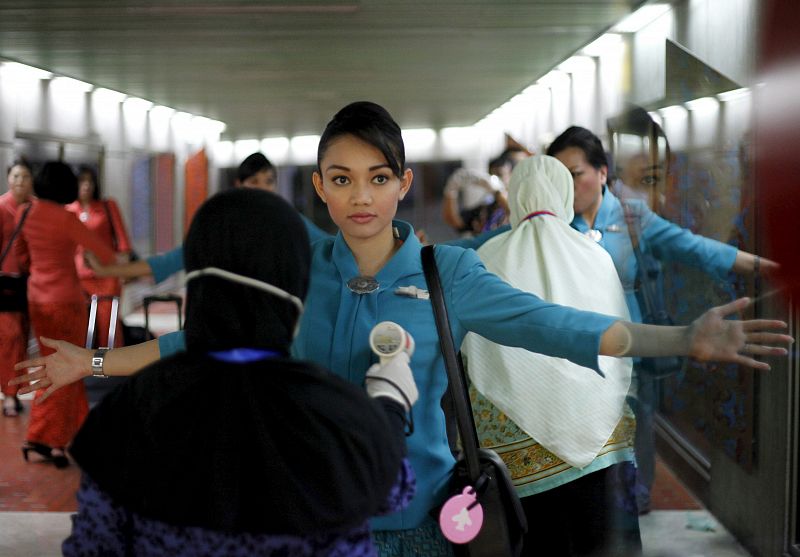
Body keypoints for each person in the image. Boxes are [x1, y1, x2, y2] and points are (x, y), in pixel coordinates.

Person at [12, 102, 791, 556]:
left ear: (403, 184)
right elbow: (208, 338)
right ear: (317, 187)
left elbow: (558, 326)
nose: (361, 197)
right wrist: (98, 360)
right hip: (312, 515)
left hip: (418, 519)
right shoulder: (302, 267)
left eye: (379, 178)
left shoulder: (447, 272)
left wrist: (679, 338)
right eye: (342, 179)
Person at [61, 188, 419, 556]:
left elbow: (92, 545)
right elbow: (394, 490)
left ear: (196, 283)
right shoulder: (337, 415)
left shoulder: (128, 413)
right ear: (295, 283)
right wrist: (390, 401)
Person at [545, 125, 777, 514]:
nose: (567, 185)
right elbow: (502, 241)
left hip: (632, 345)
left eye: (575, 173)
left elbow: (696, 249)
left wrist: (767, 268)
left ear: (602, 173)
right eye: (558, 176)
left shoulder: (632, 217)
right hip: (576, 348)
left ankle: (637, 500)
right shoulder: (552, 222)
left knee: (634, 425)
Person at [462, 155, 638, 555]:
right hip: (598, 445)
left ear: (516, 196)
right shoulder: (596, 256)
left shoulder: (485, 258)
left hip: (519, 458)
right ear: (564, 194)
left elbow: (467, 346)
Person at [84, 152, 329, 285]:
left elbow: (330, 249)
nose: (263, 189)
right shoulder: (221, 225)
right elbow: (169, 261)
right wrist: (108, 271)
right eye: (254, 182)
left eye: (269, 181)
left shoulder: (289, 222)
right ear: (239, 185)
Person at [15, 161, 115, 467]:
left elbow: (20, 256)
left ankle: (73, 433)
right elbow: (105, 253)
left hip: (37, 300)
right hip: (67, 301)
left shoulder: (25, 213)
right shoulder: (66, 218)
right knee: (69, 368)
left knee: (55, 365)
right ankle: (50, 440)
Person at [65, 166, 132, 348]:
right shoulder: (68, 209)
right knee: (79, 326)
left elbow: (123, 241)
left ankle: (112, 369)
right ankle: (83, 370)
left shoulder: (107, 206)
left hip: (107, 275)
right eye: (81, 181)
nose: (86, 185)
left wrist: (124, 271)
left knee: (108, 325)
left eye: (90, 181)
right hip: (77, 277)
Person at [0, 158, 34, 417]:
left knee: (22, 336)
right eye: (15, 176)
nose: (19, 181)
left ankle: (15, 388)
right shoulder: (2, 207)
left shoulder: (37, 209)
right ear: (8, 179)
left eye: (24, 176)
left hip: (32, 282)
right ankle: (9, 394)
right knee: (10, 336)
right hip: (5, 281)